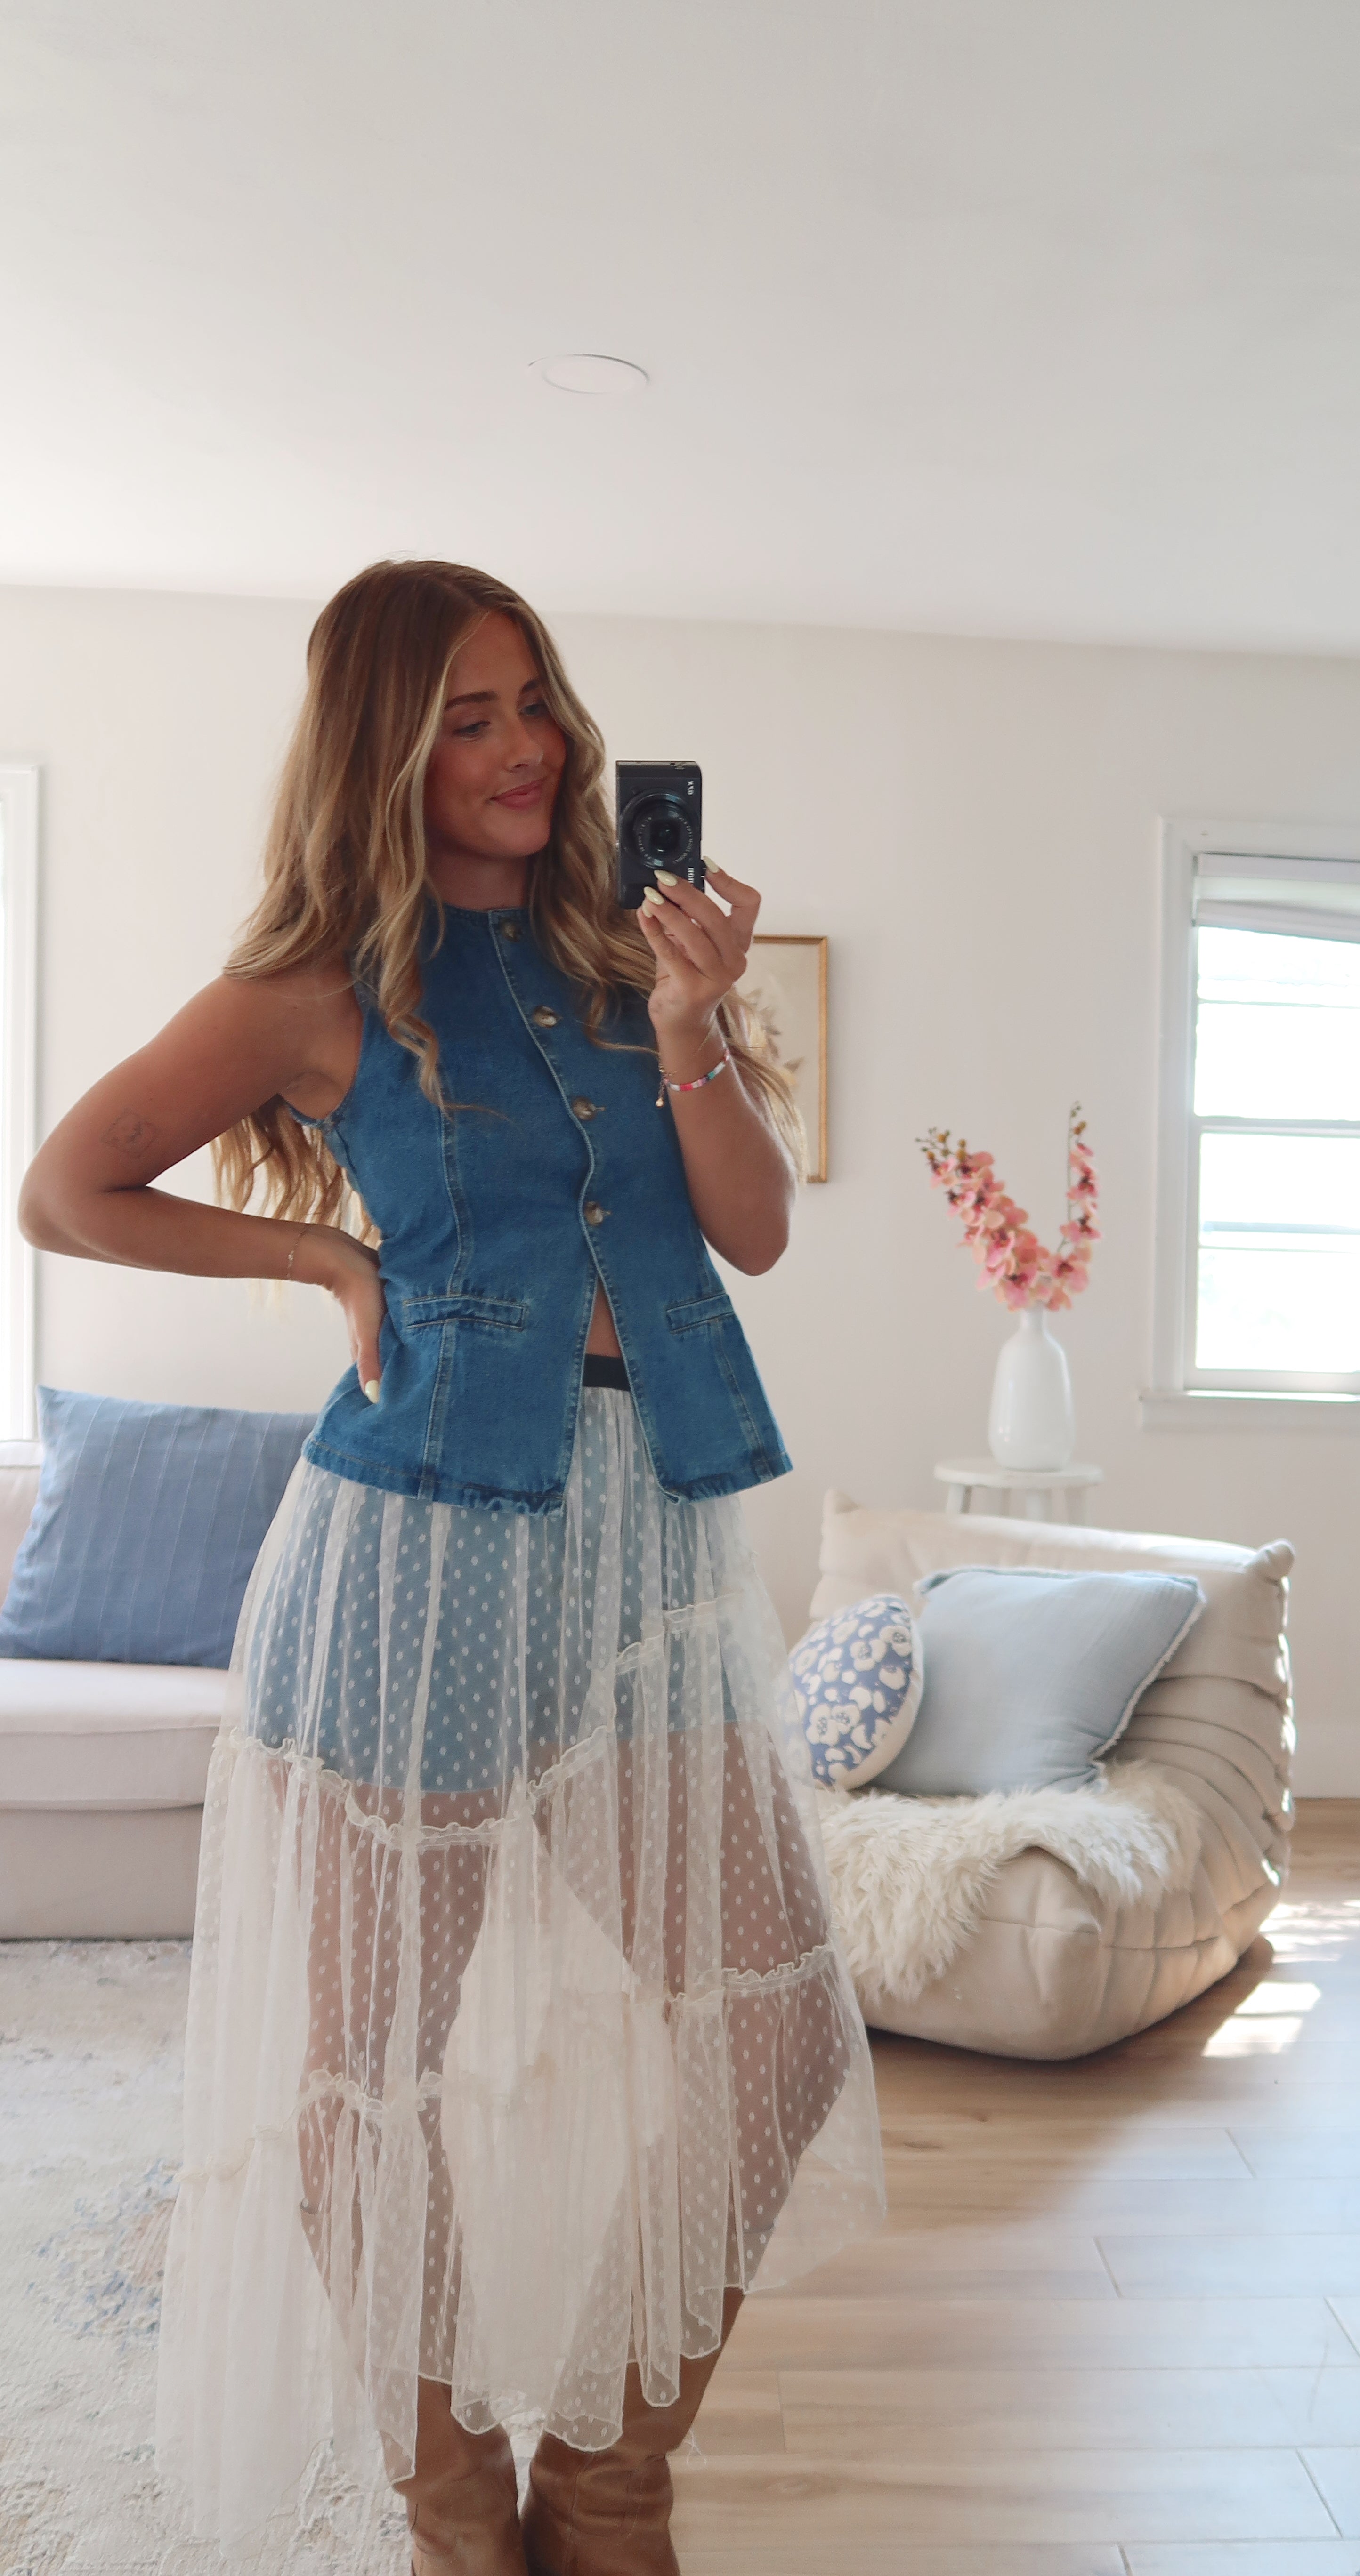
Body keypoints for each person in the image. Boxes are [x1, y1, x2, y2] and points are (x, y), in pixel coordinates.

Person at [19, 559, 887, 2573]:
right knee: (368, 2076)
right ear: (385, 753)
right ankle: (454, 2507)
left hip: (649, 1546)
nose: (524, 750)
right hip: (410, 1553)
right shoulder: (314, 988)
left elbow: (753, 1231)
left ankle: (606, 2470)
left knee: (770, 2031)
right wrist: (327, 1258)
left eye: (536, 704)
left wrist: (692, 1021)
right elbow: (67, 1186)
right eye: (469, 718)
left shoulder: (630, 957)